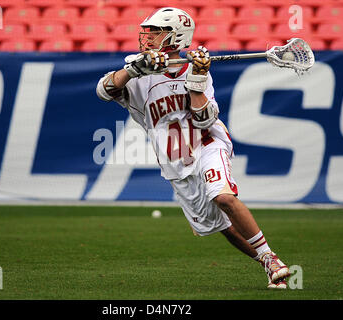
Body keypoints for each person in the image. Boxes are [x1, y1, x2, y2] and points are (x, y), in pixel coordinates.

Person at [96, 7, 290, 289]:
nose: (147, 37)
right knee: (220, 226)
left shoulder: (195, 67)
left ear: (176, 37)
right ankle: (267, 262)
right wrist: (132, 70)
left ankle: (271, 258)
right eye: (146, 32)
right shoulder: (134, 68)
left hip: (207, 144)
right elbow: (104, 91)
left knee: (223, 198)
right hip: (175, 160)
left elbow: (204, 118)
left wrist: (198, 77)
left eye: (156, 32)